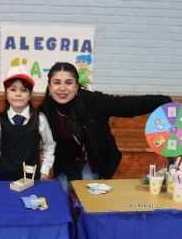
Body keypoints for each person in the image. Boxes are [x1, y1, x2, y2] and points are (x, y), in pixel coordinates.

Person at [38, 62, 172, 195]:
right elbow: (59, 149)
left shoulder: (94, 102)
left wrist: (163, 101)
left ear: (77, 86)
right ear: (49, 86)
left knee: (87, 194)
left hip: (93, 159)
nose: (62, 88)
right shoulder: (45, 112)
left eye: (68, 82)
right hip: (66, 161)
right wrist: (73, 179)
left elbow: (128, 106)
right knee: (63, 193)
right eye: (56, 82)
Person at [0, 66, 55, 181]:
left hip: (31, 177)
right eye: (13, 89)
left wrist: (45, 170)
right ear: (6, 93)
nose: (18, 94)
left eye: (24, 90)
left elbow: (49, 145)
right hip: (4, 176)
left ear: (30, 95)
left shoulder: (39, 119)